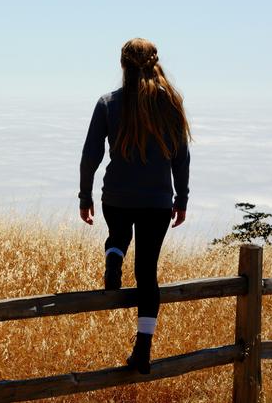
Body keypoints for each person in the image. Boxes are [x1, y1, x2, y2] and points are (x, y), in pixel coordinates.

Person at [78, 37, 191, 374]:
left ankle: (113, 258)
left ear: (122, 64)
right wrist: (181, 199)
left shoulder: (108, 103)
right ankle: (142, 350)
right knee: (147, 274)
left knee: (117, 234)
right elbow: (181, 157)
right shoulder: (170, 102)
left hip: (116, 196)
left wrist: (85, 196)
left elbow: (90, 155)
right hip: (157, 202)